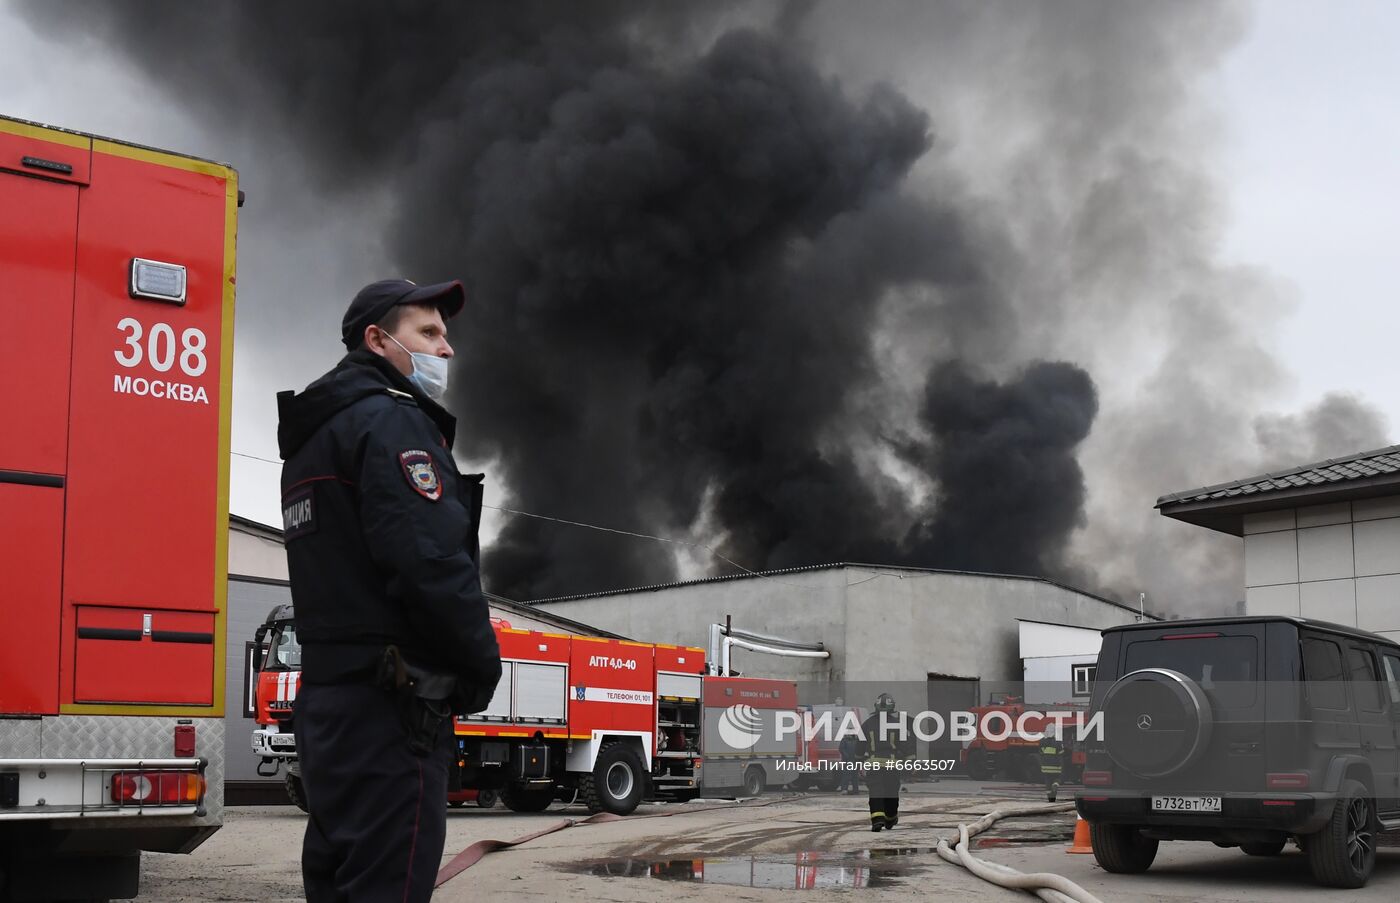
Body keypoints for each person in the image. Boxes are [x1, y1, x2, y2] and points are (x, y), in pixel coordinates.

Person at [278, 278, 503, 902]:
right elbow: (429, 564)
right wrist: (482, 667)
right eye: (428, 333)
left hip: (328, 712)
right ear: (378, 340)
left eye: (446, 334)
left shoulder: (314, 439)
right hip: (392, 720)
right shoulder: (393, 422)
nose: (446, 349)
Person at [862, 693, 914, 832]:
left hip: (873, 764)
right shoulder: (898, 724)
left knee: (876, 791)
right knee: (891, 791)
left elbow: (859, 745)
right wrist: (910, 762)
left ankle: (877, 820)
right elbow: (907, 745)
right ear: (892, 708)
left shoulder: (867, 724)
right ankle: (890, 818)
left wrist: (858, 759)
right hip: (892, 764)